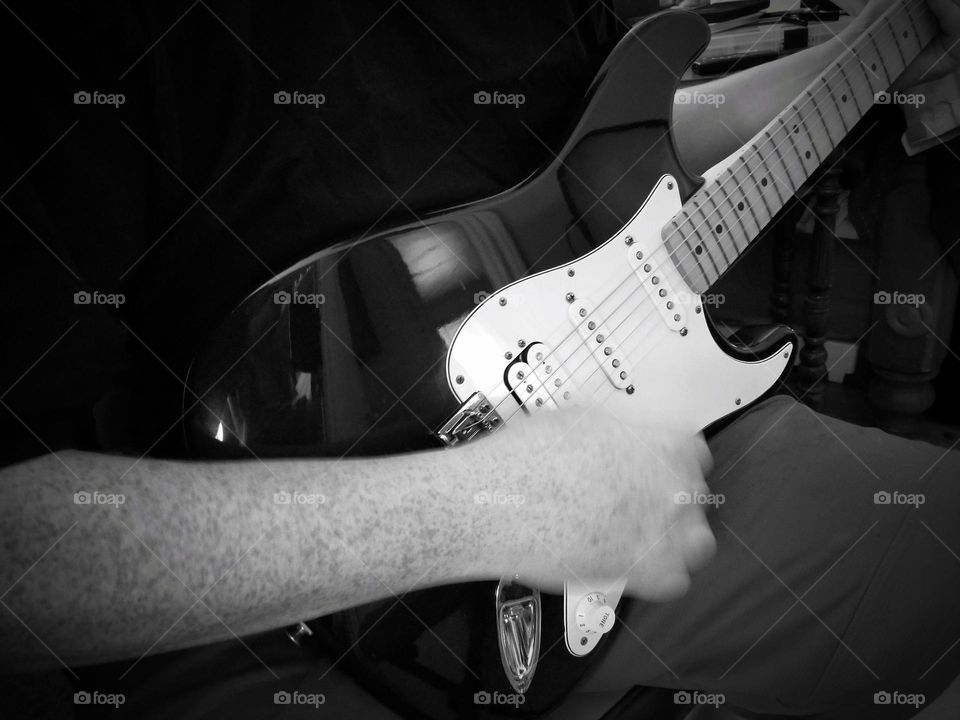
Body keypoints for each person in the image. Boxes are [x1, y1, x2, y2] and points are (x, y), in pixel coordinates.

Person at [1, 0, 959, 717]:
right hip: (274, 618)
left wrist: (877, 50)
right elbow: (21, 563)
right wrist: (482, 510)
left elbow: (627, 154)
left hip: (633, 440)